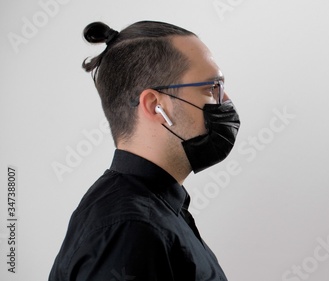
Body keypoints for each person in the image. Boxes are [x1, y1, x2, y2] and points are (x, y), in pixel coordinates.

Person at [49, 20, 240, 280]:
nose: (226, 101)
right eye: (211, 88)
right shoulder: (131, 230)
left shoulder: (154, 210)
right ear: (154, 105)